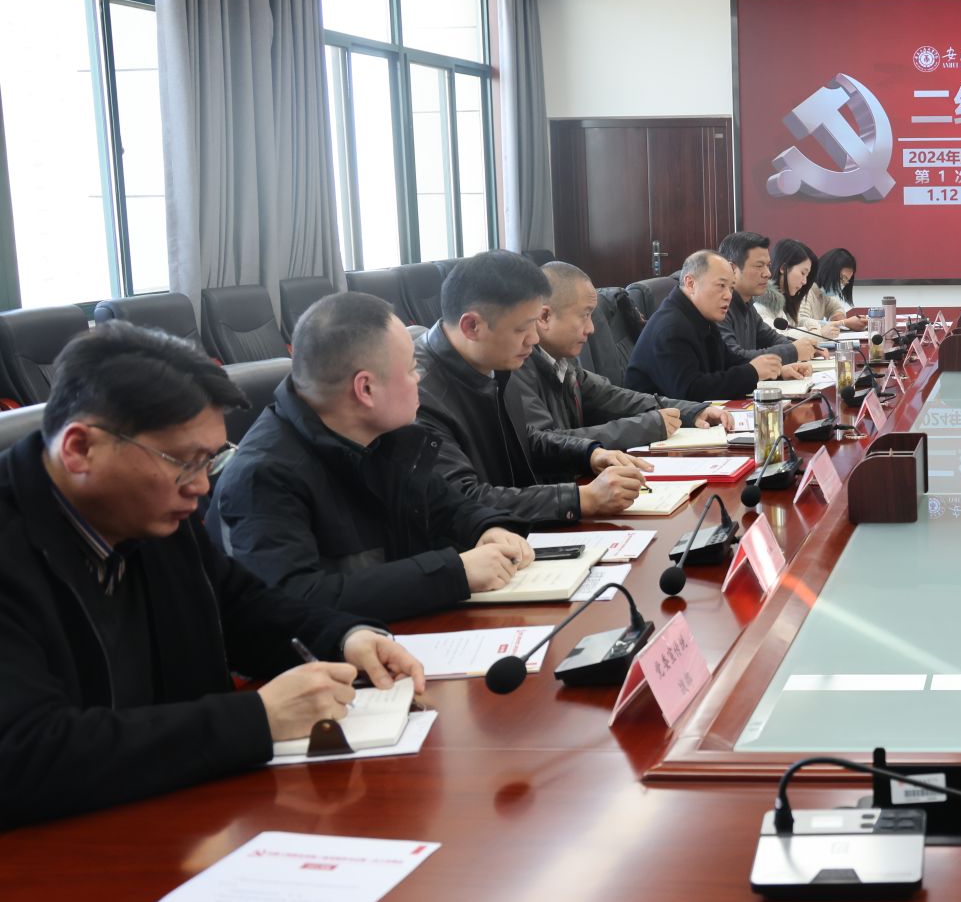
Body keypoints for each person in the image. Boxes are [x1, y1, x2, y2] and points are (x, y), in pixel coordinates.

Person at [0, 323, 424, 830]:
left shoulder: (153, 513)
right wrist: (256, 719)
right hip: (63, 848)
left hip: (183, 812)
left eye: (211, 460)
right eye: (184, 462)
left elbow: (242, 607)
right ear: (79, 449)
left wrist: (345, 637)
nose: (201, 486)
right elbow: (25, 752)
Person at [213, 292, 536, 620]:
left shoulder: (383, 436)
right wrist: (454, 572)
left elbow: (446, 506)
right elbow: (295, 599)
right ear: (365, 388)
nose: (419, 378)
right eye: (411, 369)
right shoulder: (264, 476)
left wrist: (485, 528)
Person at [416, 250, 653, 526]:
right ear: (472, 326)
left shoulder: (493, 362)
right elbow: (463, 499)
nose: (534, 338)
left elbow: (524, 440)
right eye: (522, 329)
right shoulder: (419, 394)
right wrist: (580, 499)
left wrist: (590, 453)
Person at [518, 262, 723, 451]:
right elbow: (546, 443)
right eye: (584, 315)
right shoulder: (518, 371)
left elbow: (615, 398)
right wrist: (647, 426)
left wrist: (691, 411)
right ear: (544, 317)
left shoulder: (563, 363)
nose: (591, 329)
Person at [627, 249, 806, 400]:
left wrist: (774, 371)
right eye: (721, 286)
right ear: (690, 283)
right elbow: (690, 391)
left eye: (731, 287)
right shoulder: (671, 327)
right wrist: (753, 372)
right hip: (660, 425)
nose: (728, 295)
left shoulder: (699, 316)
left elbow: (727, 362)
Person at [718, 231, 815, 366]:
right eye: (759, 266)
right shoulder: (719, 307)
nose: (768, 273)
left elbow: (772, 338)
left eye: (768, 266)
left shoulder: (748, 306)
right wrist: (794, 351)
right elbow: (735, 358)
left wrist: (806, 349)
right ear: (732, 269)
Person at [805, 247, 868, 331]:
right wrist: (843, 323)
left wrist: (838, 316)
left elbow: (837, 308)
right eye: (842, 278)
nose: (842, 285)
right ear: (828, 270)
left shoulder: (822, 294)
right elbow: (801, 323)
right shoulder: (804, 291)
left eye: (845, 282)